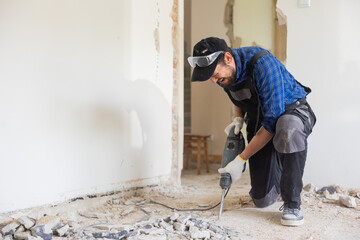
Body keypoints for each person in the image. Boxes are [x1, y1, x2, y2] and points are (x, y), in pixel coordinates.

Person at [188, 37, 316, 226]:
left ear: (228, 58)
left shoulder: (263, 64)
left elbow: (273, 121)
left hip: (292, 111)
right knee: (262, 199)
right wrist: (238, 118)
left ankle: (293, 204)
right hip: (262, 117)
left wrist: (241, 159)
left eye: (215, 75)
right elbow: (236, 96)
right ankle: (280, 165)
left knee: (287, 129)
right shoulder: (226, 73)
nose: (214, 81)